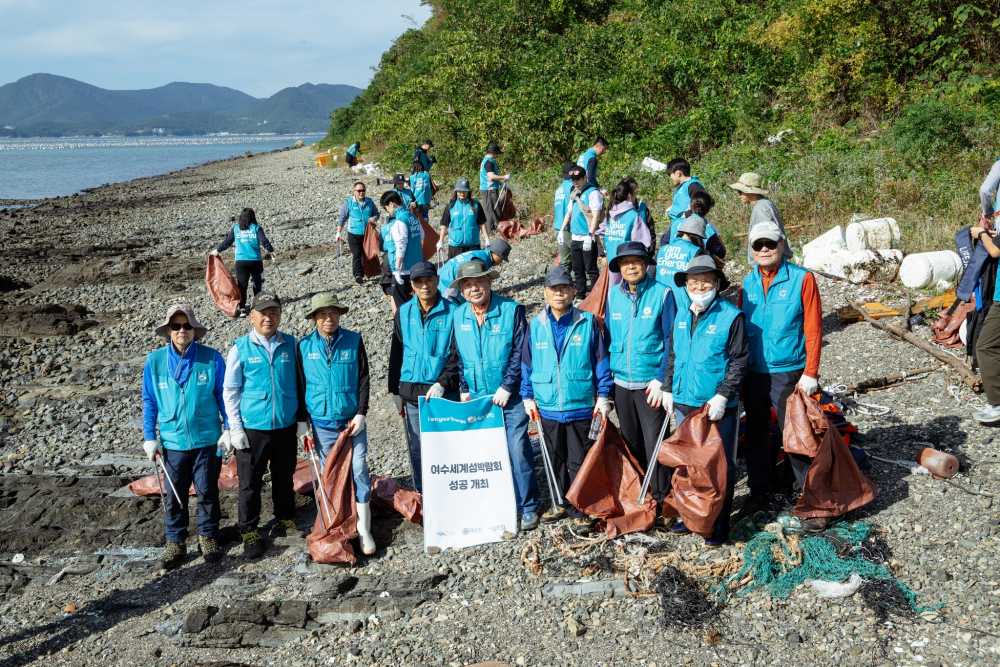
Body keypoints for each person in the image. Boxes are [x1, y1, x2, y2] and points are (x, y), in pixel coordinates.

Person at [740, 222, 824, 530]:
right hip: (754, 372)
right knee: (758, 435)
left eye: (770, 244)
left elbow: (814, 328)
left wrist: (811, 372)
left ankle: (812, 502)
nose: (764, 250)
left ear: (781, 245)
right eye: (758, 245)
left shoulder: (802, 279)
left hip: (789, 370)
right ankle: (760, 493)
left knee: (797, 436)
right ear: (751, 249)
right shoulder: (746, 284)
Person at [448, 260, 541, 530]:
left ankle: (528, 507)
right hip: (478, 400)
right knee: (488, 455)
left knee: (518, 451)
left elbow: (521, 352)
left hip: (508, 399)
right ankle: (499, 506)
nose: (473, 288)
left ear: (489, 282)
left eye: (478, 282)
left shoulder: (511, 311)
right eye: (467, 284)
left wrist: (508, 385)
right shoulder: (458, 316)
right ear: (462, 290)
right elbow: (461, 356)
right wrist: (464, 388)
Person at [663, 255, 747, 546]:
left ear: (716, 284)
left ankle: (718, 527)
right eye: (693, 281)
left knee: (719, 467)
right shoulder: (682, 315)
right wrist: (667, 387)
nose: (699, 286)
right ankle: (691, 517)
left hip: (715, 406)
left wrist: (723, 395)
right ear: (686, 285)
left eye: (706, 281)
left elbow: (739, 361)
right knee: (688, 464)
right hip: (685, 401)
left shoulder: (730, 316)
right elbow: (674, 354)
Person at [520, 267, 612, 525]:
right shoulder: (536, 325)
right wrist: (527, 396)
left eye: (564, 288)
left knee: (578, 459)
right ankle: (560, 502)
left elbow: (600, 361)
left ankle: (580, 507)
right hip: (547, 405)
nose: (559, 294)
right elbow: (527, 364)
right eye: (554, 289)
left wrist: (604, 395)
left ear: (573, 291)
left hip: (580, 403)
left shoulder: (587, 322)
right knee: (554, 457)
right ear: (545, 293)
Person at [141, 303, 228, 569]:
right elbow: (149, 401)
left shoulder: (212, 358)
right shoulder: (155, 362)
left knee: (207, 491)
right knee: (173, 494)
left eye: (187, 325)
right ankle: (175, 541)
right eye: (176, 326)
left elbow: (224, 396)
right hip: (173, 441)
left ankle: (207, 536)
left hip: (207, 439)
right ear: (169, 330)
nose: (182, 330)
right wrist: (149, 436)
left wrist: (229, 429)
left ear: (194, 330)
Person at [223, 293, 306, 559]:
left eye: (273, 313)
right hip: (253, 428)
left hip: (285, 425)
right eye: (263, 313)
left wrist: (302, 420)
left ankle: (284, 519)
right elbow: (230, 390)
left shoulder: (291, 345)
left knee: (285, 475)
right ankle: (249, 530)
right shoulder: (240, 348)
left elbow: (301, 384)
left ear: (280, 315)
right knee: (250, 482)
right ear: (252, 317)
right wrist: (235, 427)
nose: (268, 318)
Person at [297, 292, 375, 555]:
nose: (328, 319)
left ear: (339, 315)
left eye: (332, 313)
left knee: (359, 469)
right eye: (322, 315)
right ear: (314, 319)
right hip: (320, 424)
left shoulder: (354, 341)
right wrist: (302, 424)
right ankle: (331, 523)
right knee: (325, 474)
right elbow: (300, 386)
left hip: (350, 422)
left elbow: (364, 378)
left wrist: (361, 413)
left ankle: (364, 529)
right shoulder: (304, 347)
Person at [605, 241, 676, 515]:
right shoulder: (613, 295)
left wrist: (662, 379)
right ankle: (639, 494)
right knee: (631, 441)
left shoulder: (662, 294)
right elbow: (608, 335)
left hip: (650, 384)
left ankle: (662, 500)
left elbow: (671, 340)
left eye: (636, 261)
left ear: (646, 264)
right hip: (622, 383)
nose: (631, 266)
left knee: (656, 442)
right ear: (620, 268)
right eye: (625, 263)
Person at [387, 261, 459, 491]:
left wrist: (443, 382)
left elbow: (458, 355)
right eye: (419, 282)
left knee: (447, 443)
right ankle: (424, 493)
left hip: (442, 393)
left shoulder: (454, 312)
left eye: (429, 280)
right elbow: (396, 351)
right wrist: (394, 390)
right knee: (418, 447)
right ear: (412, 285)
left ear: (437, 281)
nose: (425, 285)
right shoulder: (404, 313)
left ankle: (450, 488)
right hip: (411, 393)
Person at [211, 208, 274, 317]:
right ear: (253, 217)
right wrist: (271, 250)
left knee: (242, 285)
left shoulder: (236, 228)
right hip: (255, 261)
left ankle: (242, 308)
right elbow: (264, 241)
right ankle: (257, 305)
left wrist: (217, 250)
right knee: (257, 283)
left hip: (241, 262)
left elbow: (227, 242)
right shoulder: (257, 228)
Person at [728, 172, 792, 263]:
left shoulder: (761, 208)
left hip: (768, 262)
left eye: (740, 192)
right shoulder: (764, 204)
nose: (739, 195)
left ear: (750, 191)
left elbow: (766, 238)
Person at [379, 190, 425, 311]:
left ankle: (401, 328)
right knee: (416, 303)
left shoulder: (399, 221)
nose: (388, 212)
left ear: (391, 204)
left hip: (403, 271)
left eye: (386, 208)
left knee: (402, 307)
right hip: (417, 265)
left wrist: (397, 269)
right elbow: (422, 235)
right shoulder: (412, 217)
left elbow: (401, 245)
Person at [566, 165, 603, 298]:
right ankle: (580, 294)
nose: (575, 182)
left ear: (584, 178)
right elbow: (569, 212)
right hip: (575, 237)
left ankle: (596, 296)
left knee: (591, 269)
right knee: (577, 269)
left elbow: (596, 215)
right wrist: (563, 230)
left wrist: (590, 234)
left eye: (578, 179)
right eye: (573, 180)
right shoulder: (574, 193)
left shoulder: (593, 192)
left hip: (587, 237)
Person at [437, 238, 512, 302]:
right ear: (495, 253)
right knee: (451, 305)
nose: (501, 262)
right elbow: (471, 281)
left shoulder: (481, 253)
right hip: (448, 279)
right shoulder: (481, 260)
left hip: (443, 272)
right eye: (501, 258)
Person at [603, 179, 652, 276]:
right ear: (630, 196)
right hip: (628, 262)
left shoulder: (610, 213)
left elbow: (604, 235)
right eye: (635, 194)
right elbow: (644, 241)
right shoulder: (633, 215)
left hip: (612, 260)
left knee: (615, 288)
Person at [337, 181, 379, 284]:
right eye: (359, 191)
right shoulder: (348, 203)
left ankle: (369, 272)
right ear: (354, 191)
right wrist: (338, 233)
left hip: (367, 234)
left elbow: (376, 213)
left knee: (367, 254)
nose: (361, 193)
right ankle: (358, 275)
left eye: (363, 190)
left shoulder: (369, 202)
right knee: (357, 254)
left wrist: (374, 218)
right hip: (353, 234)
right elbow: (342, 218)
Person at [655, 214, 706, 297]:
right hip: (682, 302)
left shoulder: (662, 249)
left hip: (660, 298)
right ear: (698, 236)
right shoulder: (696, 251)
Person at [438, 177, 486, 257]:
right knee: (456, 269)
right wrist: (440, 241)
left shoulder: (476, 205)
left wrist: (487, 239)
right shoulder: (451, 206)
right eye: (460, 191)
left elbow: (482, 223)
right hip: (455, 246)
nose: (462, 193)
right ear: (456, 191)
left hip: (473, 245)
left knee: (474, 268)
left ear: (468, 191)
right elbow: (444, 225)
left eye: (464, 191)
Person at [665, 158, 706, 231]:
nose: (670, 178)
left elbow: (702, 201)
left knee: (665, 241)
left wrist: (688, 214)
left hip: (688, 226)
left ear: (678, 173)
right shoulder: (682, 187)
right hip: (678, 224)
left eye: (670, 175)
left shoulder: (693, 185)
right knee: (664, 240)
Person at [479, 142, 510, 233]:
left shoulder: (489, 160)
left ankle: (497, 228)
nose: (497, 155)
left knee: (495, 209)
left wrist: (500, 184)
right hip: (488, 190)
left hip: (492, 188)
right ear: (493, 152)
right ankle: (490, 230)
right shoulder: (488, 162)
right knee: (489, 210)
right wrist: (504, 177)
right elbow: (491, 176)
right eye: (497, 153)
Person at [553, 161, 576, 273]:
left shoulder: (559, 189)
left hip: (558, 227)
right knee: (577, 258)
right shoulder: (573, 187)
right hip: (568, 227)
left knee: (565, 261)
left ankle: (564, 285)